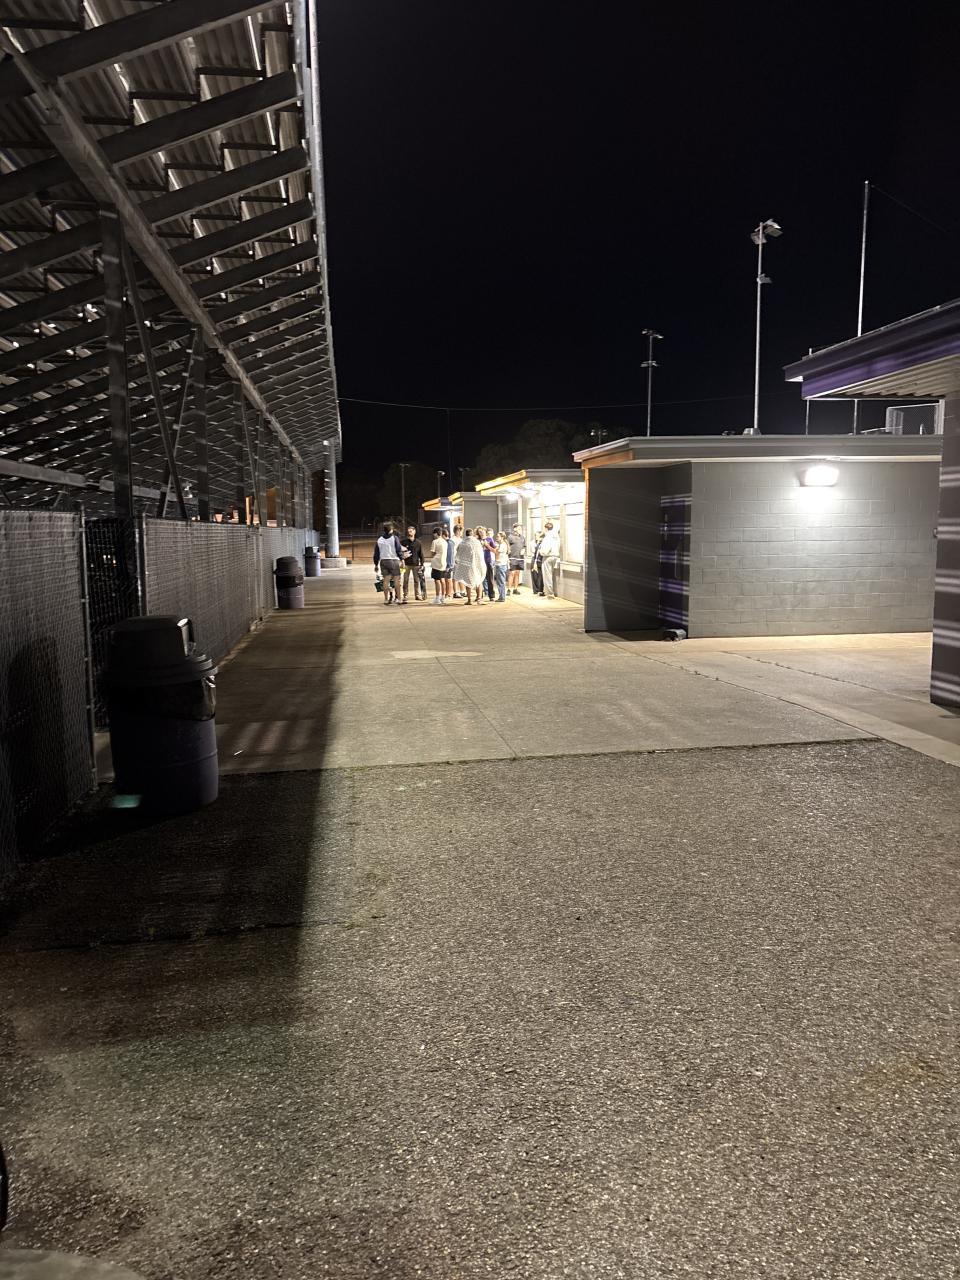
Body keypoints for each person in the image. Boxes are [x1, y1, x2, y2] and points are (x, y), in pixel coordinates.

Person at [453, 528, 486, 604]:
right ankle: (479, 599)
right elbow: (480, 553)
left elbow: (458, 554)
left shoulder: (462, 543)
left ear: (466, 534)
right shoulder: (477, 542)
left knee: (468, 582)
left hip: (466, 565)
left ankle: (469, 600)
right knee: (479, 581)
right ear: (472, 534)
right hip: (477, 564)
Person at [373, 522, 404, 605]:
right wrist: (402, 559)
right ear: (391, 530)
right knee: (397, 580)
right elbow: (398, 550)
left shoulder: (379, 540)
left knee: (386, 580)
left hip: (383, 561)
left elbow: (376, 554)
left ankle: (386, 599)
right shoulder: (394, 538)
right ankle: (399, 599)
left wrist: (376, 564)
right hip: (393, 560)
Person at [400, 525, 424, 603]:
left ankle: (417, 595)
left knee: (416, 580)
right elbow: (399, 552)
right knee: (405, 580)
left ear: (414, 532)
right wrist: (402, 559)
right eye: (408, 531)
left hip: (416, 564)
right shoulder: (403, 542)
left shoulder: (418, 542)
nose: (409, 532)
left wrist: (422, 564)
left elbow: (421, 554)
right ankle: (405, 595)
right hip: (406, 564)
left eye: (411, 531)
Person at [539, 520, 561, 597]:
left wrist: (541, 552)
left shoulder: (547, 537)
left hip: (548, 557)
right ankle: (550, 592)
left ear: (546, 529)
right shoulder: (556, 537)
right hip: (555, 556)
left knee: (547, 576)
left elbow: (545, 550)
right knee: (551, 575)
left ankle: (549, 593)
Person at [429, 525, 449, 604]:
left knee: (437, 580)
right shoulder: (445, 542)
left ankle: (437, 597)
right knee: (442, 580)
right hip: (443, 562)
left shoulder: (435, 541)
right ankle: (443, 597)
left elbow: (432, 553)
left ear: (436, 533)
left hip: (436, 563)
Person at [507, 524, 526, 594]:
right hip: (512, 557)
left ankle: (515, 589)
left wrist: (523, 550)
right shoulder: (510, 537)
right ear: (514, 529)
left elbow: (524, 546)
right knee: (512, 573)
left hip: (520, 558)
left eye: (520, 529)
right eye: (519, 528)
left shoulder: (522, 537)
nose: (520, 530)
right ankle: (509, 589)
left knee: (517, 573)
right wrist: (508, 556)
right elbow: (507, 546)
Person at [494, 532, 510, 602]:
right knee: (499, 581)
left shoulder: (503, 545)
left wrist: (488, 546)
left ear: (502, 537)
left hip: (501, 565)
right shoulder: (500, 544)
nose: (496, 538)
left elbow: (496, 553)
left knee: (501, 581)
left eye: (498, 536)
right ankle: (501, 596)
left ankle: (502, 597)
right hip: (499, 564)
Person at [449, 524, 464, 597]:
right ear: (457, 531)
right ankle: (456, 592)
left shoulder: (460, 539)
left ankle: (462, 591)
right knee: (455, 576)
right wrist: (454, 560)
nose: (461, 533)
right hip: (456, 560)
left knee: (460, 576)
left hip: (461, 560)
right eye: (461, 531)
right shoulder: (452, 540)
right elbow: (452, 551)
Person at [443, 525, 457, 600]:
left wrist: (449, 565)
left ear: (443, 535)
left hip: (448, 564)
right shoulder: (448, 542)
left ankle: (448, 594)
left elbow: (450, 555)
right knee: (447, 579)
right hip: (448, 564)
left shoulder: (449, 543)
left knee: (448, 580)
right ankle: (447, 594)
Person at [530, 530, 544, 596]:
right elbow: (533, 551)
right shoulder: (532, 543)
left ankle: (539, 589)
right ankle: (535, 590)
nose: (536, 537)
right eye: (535, 535)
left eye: (537, 536)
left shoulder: (542, 543)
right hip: (534, 558)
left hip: (540, 559)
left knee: (540, 576)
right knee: (534, 575)